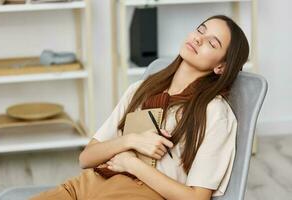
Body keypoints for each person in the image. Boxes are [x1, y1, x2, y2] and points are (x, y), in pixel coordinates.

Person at [31, 14, 249, 200]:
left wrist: (131, 164)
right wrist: (131, 140)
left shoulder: (214, 112)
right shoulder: (141, 89)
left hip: (138, 193)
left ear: (221, 66)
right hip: (84, 185)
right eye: (200, 30)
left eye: (212, 43)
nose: (199, 39)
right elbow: (86, 158)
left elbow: (196, 197)